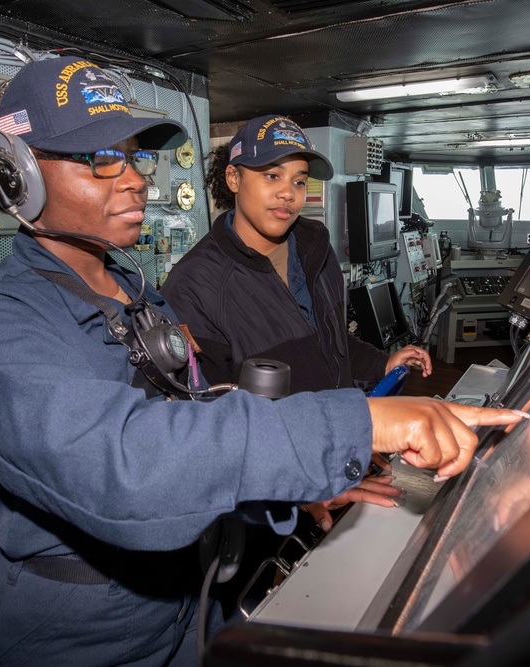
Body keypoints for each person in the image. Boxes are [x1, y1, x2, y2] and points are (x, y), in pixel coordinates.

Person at [0, 56, 525, 666]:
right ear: (19, 178)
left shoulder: (140, 295)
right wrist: (360, 423)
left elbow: (205, 420)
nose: (137, 178)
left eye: (136, 156)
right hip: (77, 636)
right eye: (102, 158)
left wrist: (288, 486)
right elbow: (129, 465)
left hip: (192, 603)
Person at [161, 115, 432, 533]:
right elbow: (208, 418)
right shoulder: (195, 284)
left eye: (300, 181)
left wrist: (381, 364)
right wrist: (293, 484)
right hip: (275, 496)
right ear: (233, 178)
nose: (288, 193)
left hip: (343, 454)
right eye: (272, 175)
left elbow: (327, 340)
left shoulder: (313, 245)